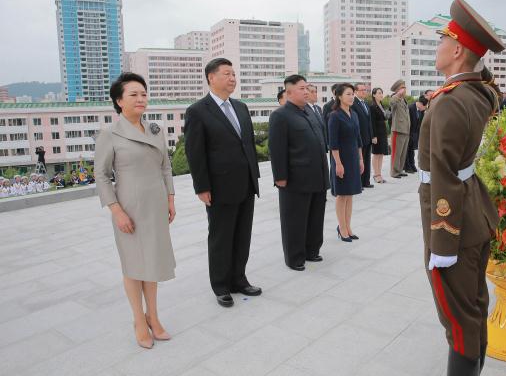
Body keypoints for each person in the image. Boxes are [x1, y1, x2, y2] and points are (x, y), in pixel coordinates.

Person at [418, 0, 505, 375]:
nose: (436, 49)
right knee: (473, 306)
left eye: (441, 42)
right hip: (475, 211)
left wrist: (442, 240)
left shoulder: (450, 101)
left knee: (457, 318)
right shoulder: (476, 92)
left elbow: (446, 176)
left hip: (456, 223)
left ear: (456, 50)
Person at [94, 72, 176, 349]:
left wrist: (171, 198)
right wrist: (116, 211)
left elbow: (166, 166)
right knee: (133, 266)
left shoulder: (155, 129)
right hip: (129, 207)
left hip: (155, 205)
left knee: (151, 262)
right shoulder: (110, 133)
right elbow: (102, 175)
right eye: (134, 94)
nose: (141, 99)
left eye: (143, 93)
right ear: (119, 101)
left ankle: (153, 316)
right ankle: (139, 321)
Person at [184, 58, 261, 308]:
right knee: (221, 237)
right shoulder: (198, 111)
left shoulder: (241, 107)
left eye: (234, 74)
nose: (232, 78)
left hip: (246, 183)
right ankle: (220, 285)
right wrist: (202, 187)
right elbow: (195, 153)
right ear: (211, 78)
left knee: (242, 235)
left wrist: (254, 176)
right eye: (227, 74)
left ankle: (239, 278)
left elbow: (247, 143)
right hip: (219, 187)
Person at [269, 75, 330, 271]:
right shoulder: (281, 115)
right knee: (295, 219)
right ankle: (294, 257)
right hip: (296, 179)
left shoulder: (311, 113)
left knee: (315, 216)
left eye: (307, 88)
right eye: (302, 88)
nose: (306, 91)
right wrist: (280, 178)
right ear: (289, 92)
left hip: (318, 175)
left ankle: (312, 250)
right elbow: (277, 149)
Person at [329, 83, 364, 242]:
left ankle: (348, 227)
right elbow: (333, 143)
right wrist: (338, 163)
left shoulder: (354, 114)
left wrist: (361, 159)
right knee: (342, 195)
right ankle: (341, 228)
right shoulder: (335, 116)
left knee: (350, 195)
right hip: (341, 158)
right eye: (348, 94)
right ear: (339, 96)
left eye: (352, 94)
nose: (352, 97)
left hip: (353, 158)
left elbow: (358, 139)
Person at [351, 83, 375, 188]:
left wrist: (372, 135)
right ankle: (358, 183)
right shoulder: (353, 103)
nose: (364, 92)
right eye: (362, 90)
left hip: (368, 137)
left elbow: (369, 122)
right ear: (355, 92)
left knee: (366, 160)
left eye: (365, 90)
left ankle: (366, 181)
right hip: (359, 137)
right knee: (359, 161)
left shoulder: (365, 103)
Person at [389, 80, 410, 179]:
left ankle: (400, 170)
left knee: (402, 153)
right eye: (402, 88)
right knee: (396, 153)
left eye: (404, 88)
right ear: (398, 89)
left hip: (405, 130)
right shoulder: (395, 98)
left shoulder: (403, 100)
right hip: (398, 130)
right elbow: (392, 103)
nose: (404, 90)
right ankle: (394, 172)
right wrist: (397, 95)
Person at [370, 88, 390, 183]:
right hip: (377, 132)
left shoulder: (381, 105)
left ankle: (380, 174)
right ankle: (376, 174)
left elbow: (385, 117)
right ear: (374, 95)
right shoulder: (373, 106)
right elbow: (372, 122)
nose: (381, 95)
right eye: (379, 93)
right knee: (376, 154)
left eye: (382, 93)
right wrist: (374, 136)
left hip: (383, 132)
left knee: (381, 153)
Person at [405, 95, 428, 173]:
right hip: (408, 132)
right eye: (424, 106)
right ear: (421, 104)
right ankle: (407, 167)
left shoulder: (420, 110)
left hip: (415, 133)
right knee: (407, 150)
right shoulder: (410, 107)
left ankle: (412, 165)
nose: (424, 108)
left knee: (412, 150)